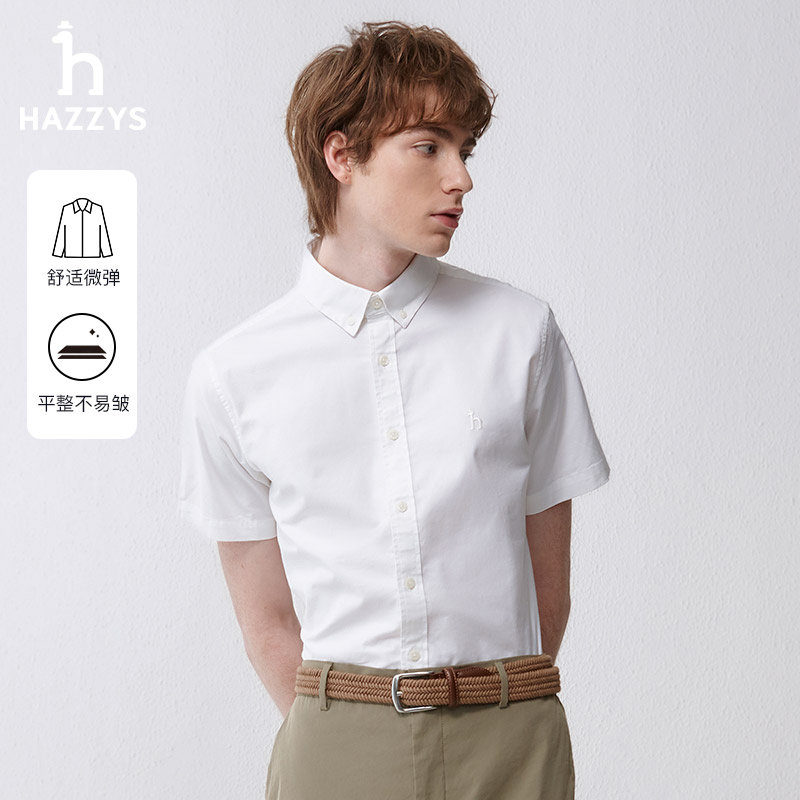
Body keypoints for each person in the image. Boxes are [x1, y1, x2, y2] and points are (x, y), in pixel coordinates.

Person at [179, 20, 610, 800]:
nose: (461, 179)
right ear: (341, 155)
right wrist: (347, 722)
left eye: (465, 151)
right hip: (336, 742)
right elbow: (267, 622)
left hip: (510, 736)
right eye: (429, 146)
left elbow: (550, 586)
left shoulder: (521, 334)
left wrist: (497, 705)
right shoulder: (233, 374)